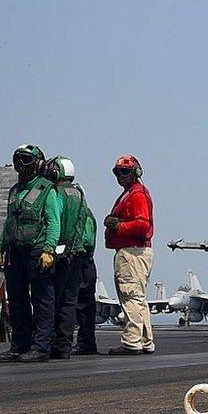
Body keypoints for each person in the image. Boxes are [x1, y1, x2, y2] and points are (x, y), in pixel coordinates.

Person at [0, 145, 60, 363]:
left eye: (26, 159)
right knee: (18, 300)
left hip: (37, 251)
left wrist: (49, 250)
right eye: (18, 159)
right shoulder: (14, 191)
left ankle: (41, 347)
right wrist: (0, 247)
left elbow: (53, 222)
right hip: (15, 253)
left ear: (38, 162)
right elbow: (9, 222)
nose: (21, 164)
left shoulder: (46, 189)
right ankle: (19, 346)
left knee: (42, 300)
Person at [104, 154, 155, 355]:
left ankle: (132, 341)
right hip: (135, 252)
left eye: (125, 171)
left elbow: (142, 225)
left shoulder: (136, 194)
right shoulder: (131, 193)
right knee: (138, 298)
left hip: (132, 253)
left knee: (131, 296)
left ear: (135, 173)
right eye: (118, 172)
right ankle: (144, 341)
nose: (120, 175)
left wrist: (118, 225)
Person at [44, 157, 93, 360]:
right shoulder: (80, 195)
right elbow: (89, 228)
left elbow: (53, 222)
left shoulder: (56, 194)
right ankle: (64, 346)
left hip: (59, 253)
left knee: (52, 299)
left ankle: (49, 344)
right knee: (70, 301)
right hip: (79, 254)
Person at [72, 208, 99, 355]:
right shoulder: (86, 212)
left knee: (82, 303)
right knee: (84, 304)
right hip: (85, 262)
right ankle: (85, 342)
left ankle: (85, 343)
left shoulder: (82, 213)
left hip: (81, 261)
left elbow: (87, 241)